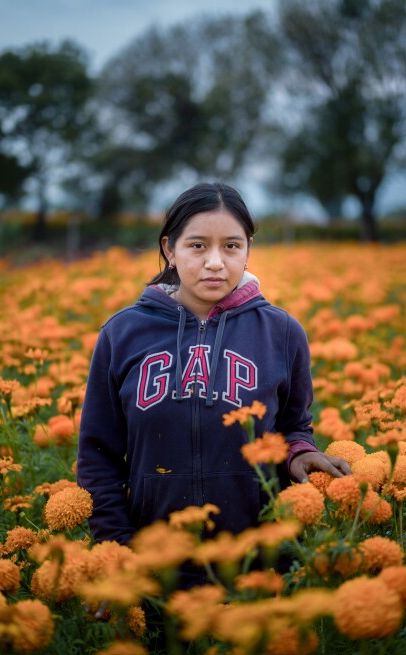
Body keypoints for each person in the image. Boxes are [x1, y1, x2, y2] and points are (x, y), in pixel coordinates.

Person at [77, 182, 351, 553]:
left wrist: (300, 453)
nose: (215, 262)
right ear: (169, 249)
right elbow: (98, 456)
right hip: (152, 567)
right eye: (198, 245)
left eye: (231, 246)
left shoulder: (282, 333)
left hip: (256, 564)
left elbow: (292, 427)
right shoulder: (122, 334)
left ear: (248, 250)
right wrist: (117, 548)